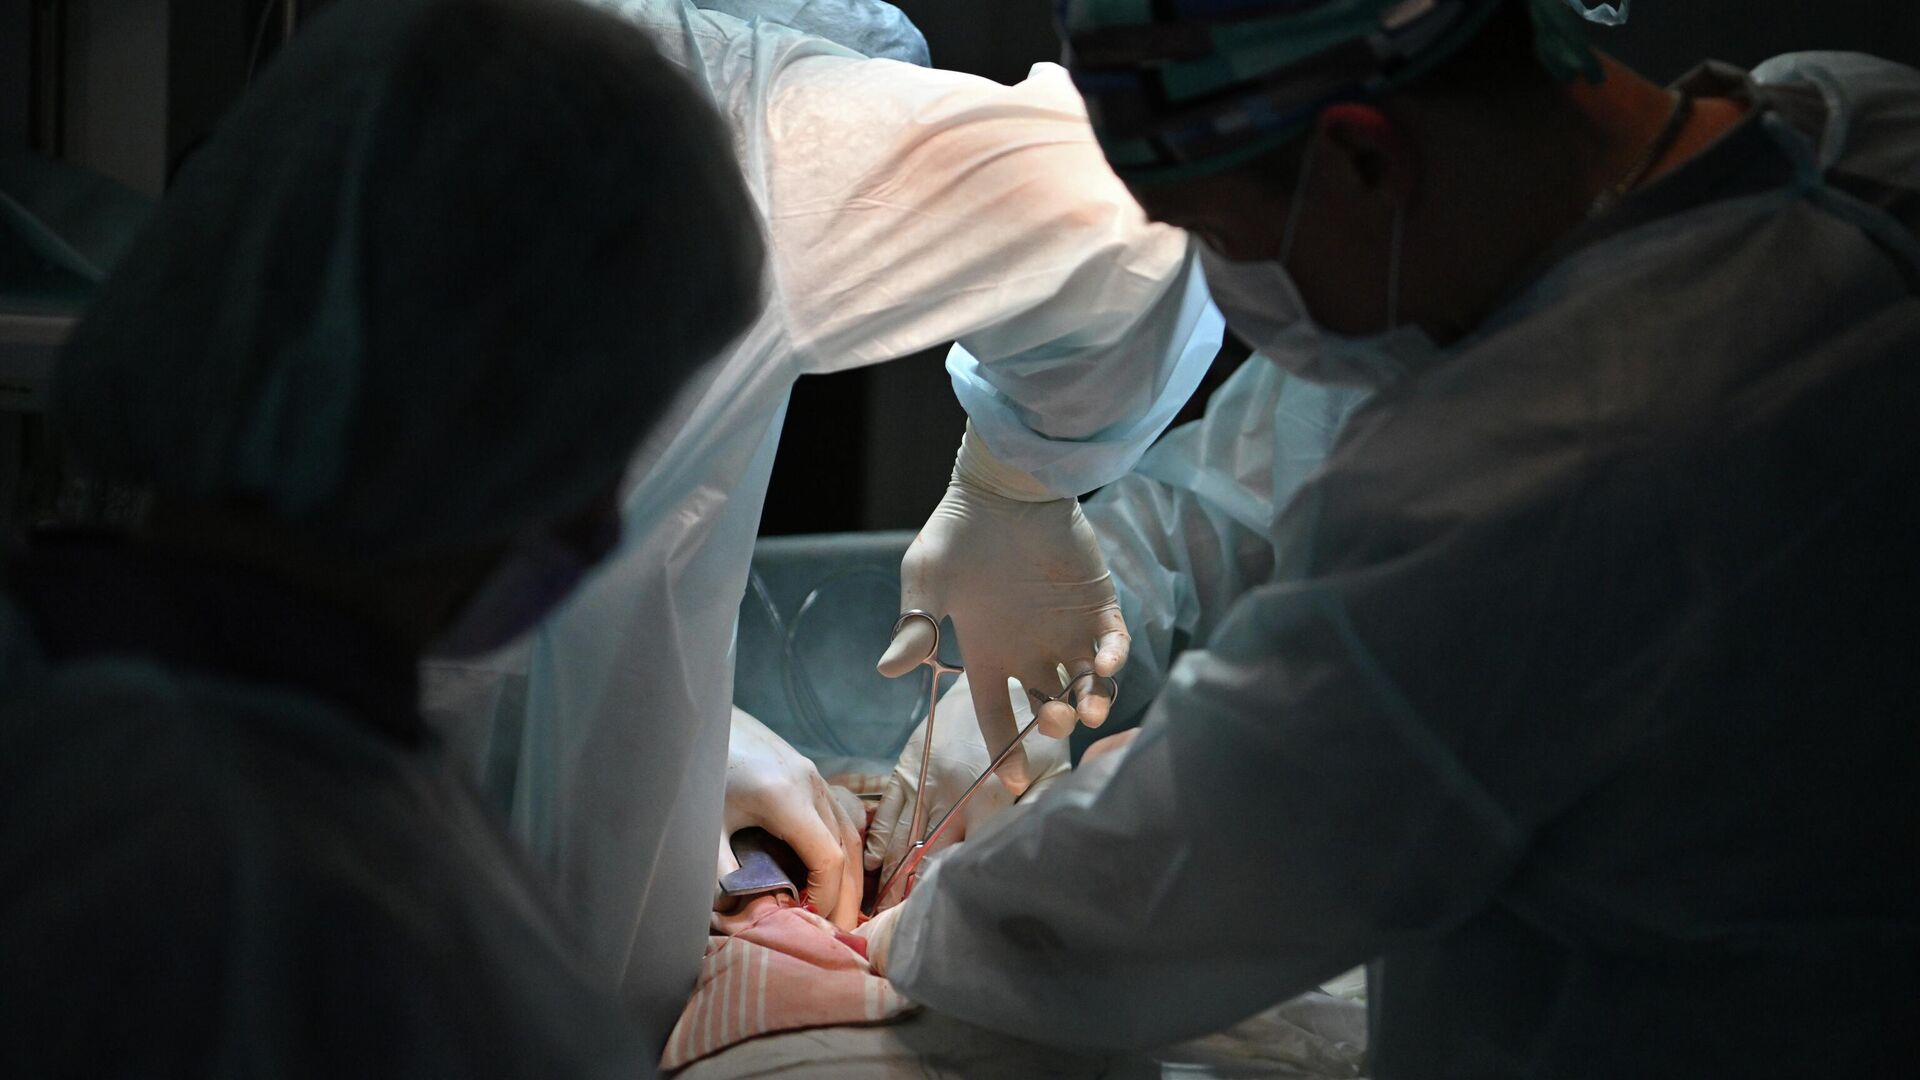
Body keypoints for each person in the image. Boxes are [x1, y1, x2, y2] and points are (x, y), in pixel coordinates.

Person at [858, 2, 1920, 1075]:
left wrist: (916, 931)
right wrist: (1105, 587)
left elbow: (1169, 889)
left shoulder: (1556, 464)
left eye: (1216, 235)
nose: (1224, 285)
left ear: (1365, 155)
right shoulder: (1853, 129)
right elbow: (1265, 480)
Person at [419, 0, 1225, 1047]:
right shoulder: (715, 126)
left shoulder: (415, 117)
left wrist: (1017, 490)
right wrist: (1020, 483)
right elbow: (1123, 219)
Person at [0, 0, 762, 1075]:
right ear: (472, 422)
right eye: (592, 447)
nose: (599, 526)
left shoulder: (65, 696)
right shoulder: (336, 919)